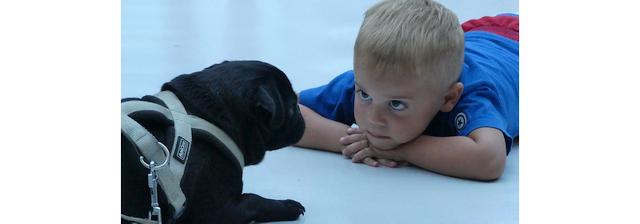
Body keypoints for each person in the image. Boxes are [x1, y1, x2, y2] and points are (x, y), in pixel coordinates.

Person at [295, 0, 518, 181]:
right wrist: (352, 141)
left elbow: (489, 159)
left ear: (448, 98)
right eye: (364, 95)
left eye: (396, 104)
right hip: (477, 33)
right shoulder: (377, 79)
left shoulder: (474, 95)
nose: (374, 120)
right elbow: (287, 112)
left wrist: (401, 150)